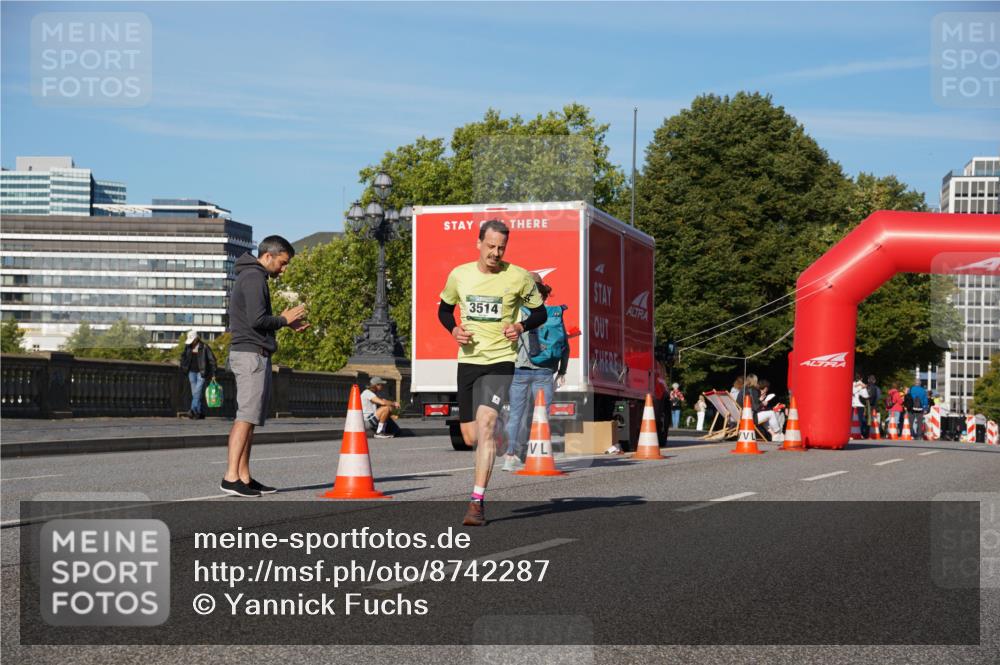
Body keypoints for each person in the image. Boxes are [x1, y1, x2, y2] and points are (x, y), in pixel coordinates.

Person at [438, 220, 546, 526]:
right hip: (469, 360)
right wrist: (454, 329)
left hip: (501, 360)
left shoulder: (519, 278)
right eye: (490, 246)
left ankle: (476, 503)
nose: (495, 253)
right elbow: (444, 310)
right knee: (471, 435)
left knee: (485, 425)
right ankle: (497, 432)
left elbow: (538, 311)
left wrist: (520, 325)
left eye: (501, 248)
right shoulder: (460, 275)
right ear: (479, 243)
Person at [221, 235, 309, 498]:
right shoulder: (254, 277)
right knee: (245, 417)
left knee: (251, 419)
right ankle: (230, 477)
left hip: (253, 354)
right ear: (268, 256)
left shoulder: (252, 276)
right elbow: (257, 320)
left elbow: (257, 319)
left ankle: (244, 476)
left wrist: (284, 323)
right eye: (282, 263)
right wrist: (283, 318)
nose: (284, 269)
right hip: (250, 355)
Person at [503, 273, 568, 472]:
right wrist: (562, 371)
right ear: (543, 292)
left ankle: (510, 456)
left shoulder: (517, 313)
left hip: (520, 370)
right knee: (541, 415)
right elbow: (565, 346)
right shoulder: (553, 314)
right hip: (545, 372)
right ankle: (538, 454)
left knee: (515, 415)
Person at [179, 330, 217, 420]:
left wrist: (213, 373)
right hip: (191, 372)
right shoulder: (188, 346)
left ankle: (192, 410)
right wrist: (183, 367)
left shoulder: (204, 347)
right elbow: (183, 357)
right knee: (195, 393)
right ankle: (198, 413)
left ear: (196, 339)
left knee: (197, 392)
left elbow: (212, 360)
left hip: (202, 372)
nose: (191, 342)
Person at [852, 374, 870, 438]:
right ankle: (860, 433)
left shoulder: (852, 384)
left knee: (852, 420)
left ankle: (851, 433)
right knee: (860, 420)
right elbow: (866, 396)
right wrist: (862, 387)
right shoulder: (862, 385)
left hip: (852, 405)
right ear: (861, 378)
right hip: (860, 405)